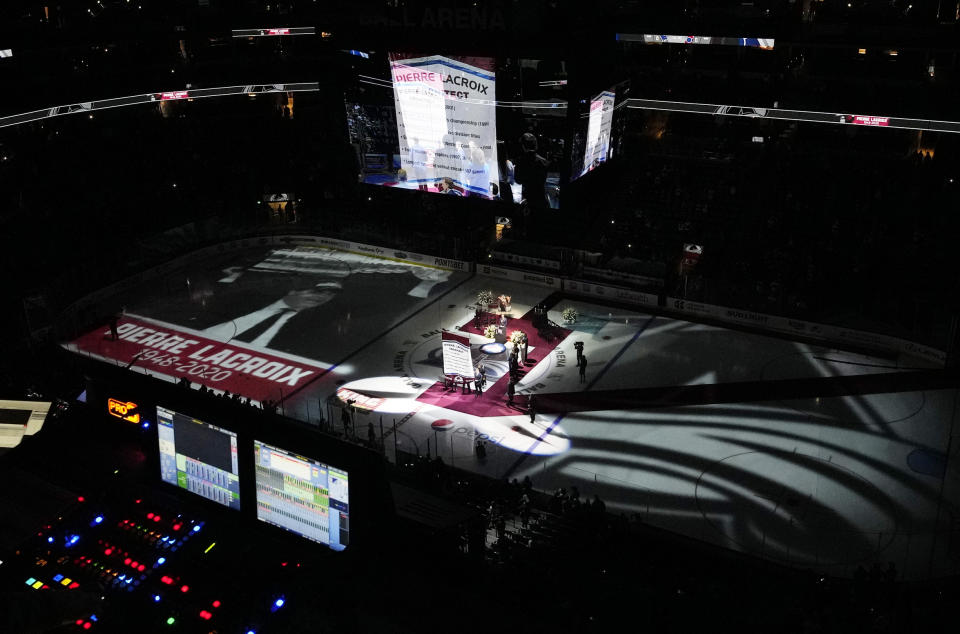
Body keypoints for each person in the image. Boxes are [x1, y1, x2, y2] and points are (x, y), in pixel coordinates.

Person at [512, 132, 549, 210]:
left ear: (523, 146)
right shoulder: (544, 161)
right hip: (542, 198)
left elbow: (518, 180)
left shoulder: (520, 161)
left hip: (529, 199)